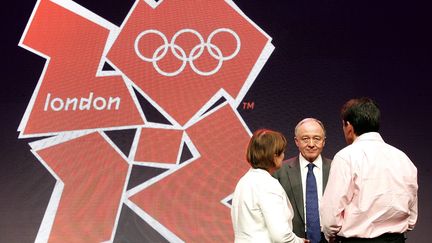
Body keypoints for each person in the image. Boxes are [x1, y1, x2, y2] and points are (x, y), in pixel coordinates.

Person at [320, 97, 418, 243]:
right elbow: (412, 214)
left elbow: (331, 213)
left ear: (348, 126)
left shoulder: (346, 157)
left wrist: (330, 235)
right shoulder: (403, 158)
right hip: (396, 239)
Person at [231, 128, 308, 243]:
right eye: (281, 152)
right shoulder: (267, 185)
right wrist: (300, 242)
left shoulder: (244, 181)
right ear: (273, 155)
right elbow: (280, 236)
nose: (283, 156)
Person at [273, 118, 332, 243]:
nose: (311, 144)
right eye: (305, 139)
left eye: (317, 138)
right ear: (296, 141)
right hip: (294, 239)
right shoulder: (280, 171)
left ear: (324, 141)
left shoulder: (336, 168)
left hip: (329, 239)